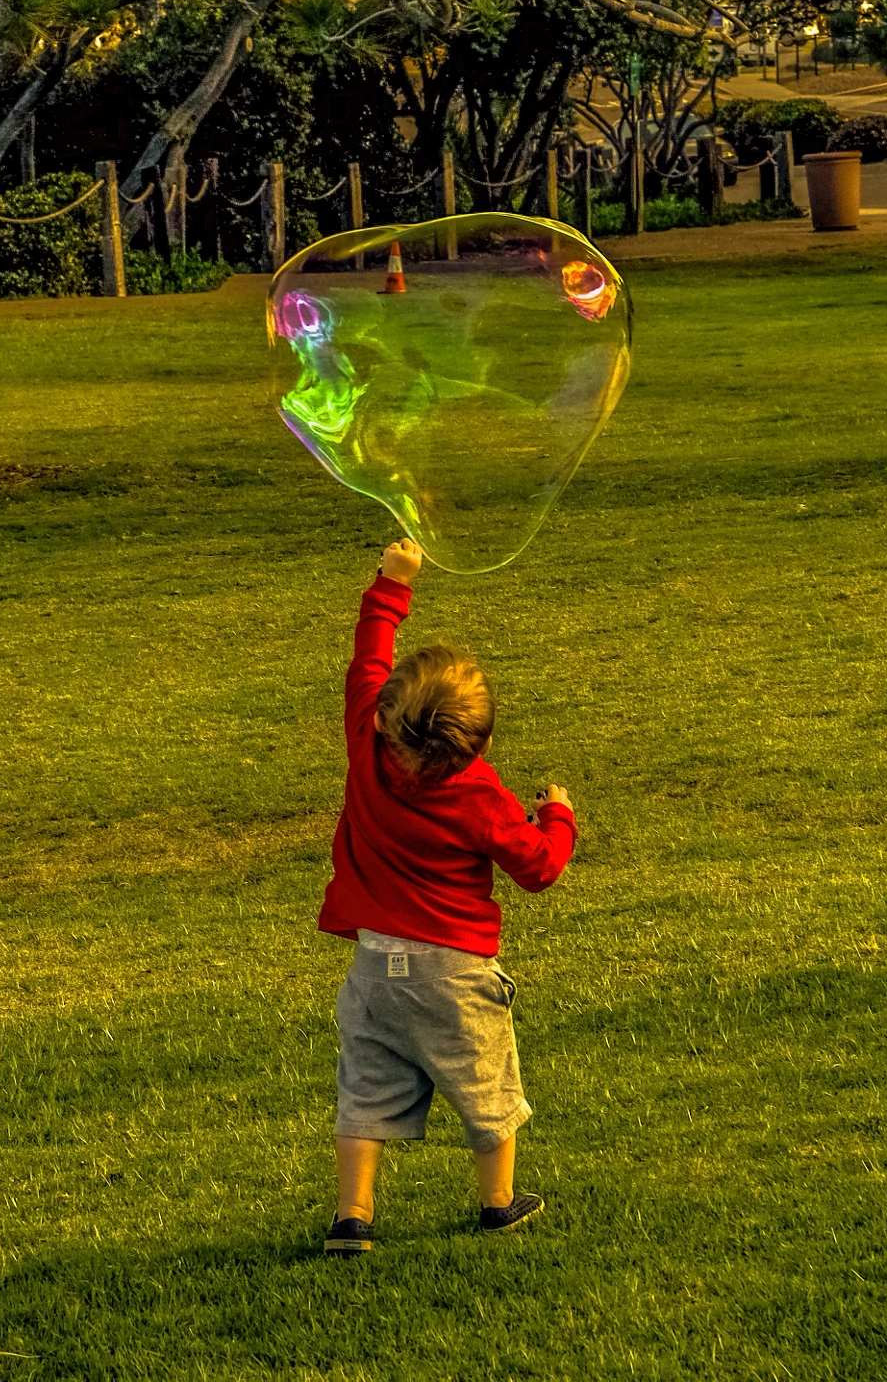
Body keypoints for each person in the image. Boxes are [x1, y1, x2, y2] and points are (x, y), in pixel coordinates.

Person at [320, 536, 576, 1255]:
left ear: (381, 715)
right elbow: (539, 867)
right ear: (474, 747)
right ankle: (498, 1201)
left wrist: (392, 582)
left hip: (373, 971)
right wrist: (556, 815)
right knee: (485, 1084)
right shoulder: (481, 795)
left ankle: (354, 1215)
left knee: (365, 1090)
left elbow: (369, 655)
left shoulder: (364, 744)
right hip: (455, 972)